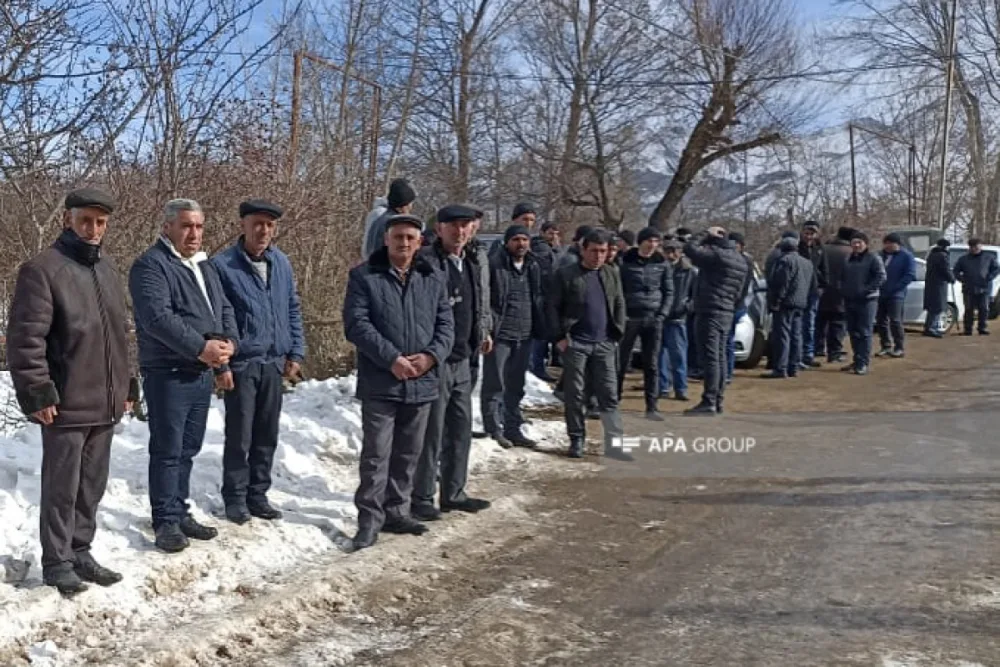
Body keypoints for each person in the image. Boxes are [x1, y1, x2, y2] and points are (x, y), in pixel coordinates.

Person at [7, 188, 138, 595]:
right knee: (61, 487)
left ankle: (81, 550)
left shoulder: (108, 270)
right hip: (65, 402)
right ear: (69, 220)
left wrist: (128, 384)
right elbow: (26, 339)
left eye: (100, 222)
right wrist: (37, 390)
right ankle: (57, 561)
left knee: (92, 485)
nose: (93, 229)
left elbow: (120, 335)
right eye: (85, 221)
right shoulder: (43, 270)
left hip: (105, 400)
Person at [130, 199, 239, 553]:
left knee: (188, 448)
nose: (194, 233)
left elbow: (222, 309)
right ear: (168, 228)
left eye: (199, 226)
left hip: (201, 371)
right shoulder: (151, 266)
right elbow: (158, 318)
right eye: (186, 226)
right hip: (169, 372)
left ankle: (180, 510)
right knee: (168, 449)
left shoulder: (204, 266)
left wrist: (227, 349)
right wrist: (201, 348)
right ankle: (165, 521)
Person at [343, 214, 454, 551]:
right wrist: (391, 358)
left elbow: (446, 325)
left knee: (409, 454)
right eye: (398, 237)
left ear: (420, 242)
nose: (403, 243)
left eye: (410, 237)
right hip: (382, 380)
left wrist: (431, 356)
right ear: (386, 240)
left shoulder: (432, 277)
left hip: (422, 380)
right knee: (377, 455)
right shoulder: (364, 276)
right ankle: (369, 521)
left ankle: (397, 511)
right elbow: (357, 325)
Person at [210, 200, 306, 525]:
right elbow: (218, 319)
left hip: (274, 362)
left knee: (267, 433)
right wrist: (222, 366)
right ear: (243, 225)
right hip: (243, 364)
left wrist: (296, 351)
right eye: (257, 223)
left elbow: (292, 307)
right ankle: (235, 497)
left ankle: (258, 494)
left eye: (269, 224)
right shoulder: (222, 266)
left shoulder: (282, 263)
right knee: (240, 435)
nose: (263, 230)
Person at [411, 204, 493, 522]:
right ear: (440, 228)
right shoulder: (428, 262)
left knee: (460, 429)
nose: (460, 231)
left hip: (465, 358)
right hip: (437, 360)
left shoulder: (473, 259)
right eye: (454, 226)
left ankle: (454, 492)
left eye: (466, 225)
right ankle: (421, 497)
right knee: (432, 432)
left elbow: (481, 299)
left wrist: (483, 330)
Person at [548, 229, 629, 459]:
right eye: (594, 251)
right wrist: (559, 338)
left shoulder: (611, 273)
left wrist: (617, 333)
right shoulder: (566, 274)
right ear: (583, 250)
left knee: (609, 394)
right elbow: (552, 308)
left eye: (603, 251)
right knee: (575, 395)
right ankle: (577, 439)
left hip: (604, 343)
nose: (598, 256)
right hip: (576, 343)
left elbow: (619, 302)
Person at [482, 225, 546, 448]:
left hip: (525, 334)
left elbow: (538, 297)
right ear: (507, 242)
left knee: (516, 385)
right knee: (494, 384)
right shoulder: (495, 265)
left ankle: (513, 427)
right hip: (500, 334)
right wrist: (487, 330)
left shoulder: (533, 266)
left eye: (525, 240)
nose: (521, 244)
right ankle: (493, 428)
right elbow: (487, 300)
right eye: (516, 239)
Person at [682, 226, 749, 415]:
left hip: (709, 309)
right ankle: (717, 399)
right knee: (719, 356)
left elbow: (689, 248)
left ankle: (709, 400)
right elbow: (740, 291)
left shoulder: (716, 256)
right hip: (727, 310)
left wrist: (705, 232)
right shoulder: (740, 260)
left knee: (710, 357)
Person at [617, 226, 674, 420]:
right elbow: (618, 290)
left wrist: (662, 314)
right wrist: (622, 314)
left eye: (656, 242)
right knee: (622, 362)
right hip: (630, 317)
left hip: (653, 317)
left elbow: (669, 291)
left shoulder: (662, 263)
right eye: (650, 241)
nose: (653, 245)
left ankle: (652, 406)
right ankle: (613, 402)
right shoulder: (626, 261)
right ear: (641, 241)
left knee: (651, 364)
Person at [762, 235, 814, 379]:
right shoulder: (807, 263)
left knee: (782, 336)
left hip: (786, 303)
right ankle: (794, 366)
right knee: (796, 335)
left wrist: (776, 302)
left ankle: (781, 368)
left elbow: (782, 283)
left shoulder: (784, 261)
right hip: (801, 302)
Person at [840, 231, 886, 375]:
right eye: (854, 242)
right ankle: (857, 359)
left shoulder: (873, 258)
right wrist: (843, 289)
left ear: (865, 244)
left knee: (864, 332)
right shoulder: (848, 259)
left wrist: (866, 290)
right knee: (853, 332)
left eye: (859, 242)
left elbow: (881, 277)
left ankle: (863, 362)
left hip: (868, 300)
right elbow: (842, 277)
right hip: (850, 299)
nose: (857, 245)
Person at [659, 239, 694, 401]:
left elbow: (696, 295)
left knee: (678, 355)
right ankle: (662, 386)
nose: (671, 254)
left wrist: (686, 308)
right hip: (660, 316)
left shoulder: (689, 271)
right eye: (668, 251)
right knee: (659, 354)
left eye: (674, 251)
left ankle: (681, 388)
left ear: (681, 252)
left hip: (678, 317)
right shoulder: (659, 268)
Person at [874, 232, 916, 358]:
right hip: (880, 292)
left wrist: (896, 287)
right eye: (885, 243)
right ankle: (885, 345)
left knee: (895, 320)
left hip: (896, 294)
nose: (887, 246)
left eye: (889, 243)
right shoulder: (880, 255)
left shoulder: (906, 256)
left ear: (896, 244)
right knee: (881, 321)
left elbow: (909, 275)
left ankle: (899, 347)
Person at [816, 226, 854, 363]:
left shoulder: (823, 249)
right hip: (840, 293)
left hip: (821, 291)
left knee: (820, 321)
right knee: (838, 324)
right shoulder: (850, 253)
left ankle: (818, 348)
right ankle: (835, 352)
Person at [529, 221, 562, 381]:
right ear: (542, 232)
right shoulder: (542, 249)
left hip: (544, 296)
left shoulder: (547, 248)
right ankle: (536, 367)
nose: (554, 236)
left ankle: (537, 366)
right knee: (540, 335)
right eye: (550, 233)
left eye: (556, 233)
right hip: (542, 296)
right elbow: (550, 272)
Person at [362, 178, 417, 259]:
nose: (411, 207)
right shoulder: (392, 222)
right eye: (410, 204)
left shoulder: (378, 214)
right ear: (402, 206)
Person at [954, 238, 1000, 335]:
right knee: (968, 309)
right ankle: (968, 329)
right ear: (970, 248)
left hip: (984, 287)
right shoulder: (963, 259)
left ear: (980, 246)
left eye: (976, 246)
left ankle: (982, 328)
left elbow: (996, 269)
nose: (975, 249)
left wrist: (989, 277)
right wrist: (962, 279)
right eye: (972, 247)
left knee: (983, 309)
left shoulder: (988, 257)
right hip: (968, 288)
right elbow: (956, 271)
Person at [798, 221, 828, 368]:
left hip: (814, 290)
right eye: (807, 233)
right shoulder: (797, 248)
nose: (809, 236)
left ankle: (808, 354)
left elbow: (825, 270)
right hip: (799, 290)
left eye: (812, 233)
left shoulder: (820, 249)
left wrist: (822, 286)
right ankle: (798, 355)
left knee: (810, 323)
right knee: (798, 324)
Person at [726, 232, 755, 382]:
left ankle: (726, 373)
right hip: (737, 305)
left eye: (735, 244)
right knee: (726, 340)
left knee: (726, 340)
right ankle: (726, 373)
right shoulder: (747, 261)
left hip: (734, 306)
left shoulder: (741, 263)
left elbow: (743, 289)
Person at [923, 238, 955, 338]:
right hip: (939, 285)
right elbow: (945, 270)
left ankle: (928, 327)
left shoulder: (931, 255)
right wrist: (952, 278)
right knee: (938, 307)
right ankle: (932, 328)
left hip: (931, 284)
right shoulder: (942, 256)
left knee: (932, 308)